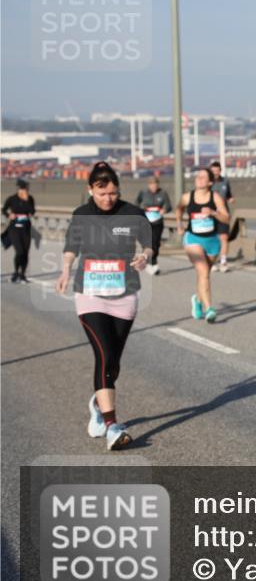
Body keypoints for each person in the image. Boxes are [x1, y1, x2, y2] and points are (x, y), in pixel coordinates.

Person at [56, 161, 153, 451]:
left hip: (125, 293)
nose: (108, 199)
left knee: (113, 362)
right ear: (90, 190)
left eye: (112, 193)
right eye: (102, 194)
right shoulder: (81, 215)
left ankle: (98, 405)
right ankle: (112, 425)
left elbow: (148, 242)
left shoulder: (133, 213)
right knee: (104, 352)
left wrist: (145, 256)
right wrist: (64, 271)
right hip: (90, 293)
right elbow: (72, 245)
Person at [176, 166, 229, 323]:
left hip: (212, 241)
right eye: (197, 176)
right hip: (193, 239)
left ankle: (197, 300)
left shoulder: (216, 197)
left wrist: (213, 213)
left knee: (203, 275)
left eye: (203, 177)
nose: (199, 179)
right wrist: (179, 224)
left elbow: (226, 218)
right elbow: (178, 209)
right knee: (204, 271)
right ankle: (209, 309)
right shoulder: (187, 197)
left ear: (210, 182)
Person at [135, 175, 172, 275]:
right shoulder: (143, 193)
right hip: (145, 222)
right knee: (148, 243)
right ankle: (150, 263)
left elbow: (169, 206)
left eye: (155, 185)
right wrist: (141, 211)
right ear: (149, 185)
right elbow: (136, 204)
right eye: (151, 185)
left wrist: (164, 209)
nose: (154, 187)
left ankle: (153, 261)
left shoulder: (163, 193)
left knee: (156, 243)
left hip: (157, 221)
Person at [3, 178, 36, 283]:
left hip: (25, 228)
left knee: (26, 252)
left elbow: (32, 211)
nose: (26, 190)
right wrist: (9, 215)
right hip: (14, 228)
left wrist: (26, 200)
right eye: (25, 189)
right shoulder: (12, 199)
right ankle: (16, 272)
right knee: (20, 251)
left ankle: (22, 274)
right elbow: (4, 209)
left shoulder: (30, 198)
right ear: (19, 189)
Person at [209, 160, 235, 273]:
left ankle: (223, 262)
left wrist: (230, 199)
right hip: (211, 215)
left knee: (224, 237)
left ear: (220, 171)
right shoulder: (207, 183)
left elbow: (228, 194)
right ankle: (212, 262)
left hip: (223, 214)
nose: (215, 173)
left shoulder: (225, 182)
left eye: (217, 170)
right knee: (212, 239)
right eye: (213, 171)